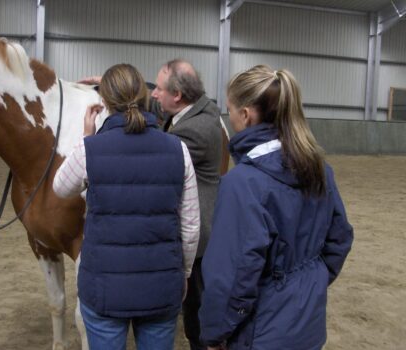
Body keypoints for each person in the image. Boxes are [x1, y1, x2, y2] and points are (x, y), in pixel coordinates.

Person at [199, 65, 354, 350]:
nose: (228, 116)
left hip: (260, 334)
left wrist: (214, 334)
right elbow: (339, 239)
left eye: (230, 109)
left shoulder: (242, 184)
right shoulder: (320, 170)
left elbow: (231, 275)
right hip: (308, 325)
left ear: (245, 115)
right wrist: (308, 283)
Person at [54, 63, 200, 350]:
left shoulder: (90, 149)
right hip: (161, 284)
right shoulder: (177, 149)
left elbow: (60, 186)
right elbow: (190, 225)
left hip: (104, 288)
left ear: (105, 102)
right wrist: (182, 273)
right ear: (146, 96)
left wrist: (86, 137)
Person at [80, 59, 224, 350]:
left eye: (158, 88)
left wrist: (98, 144)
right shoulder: (196, 107)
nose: (154, 94)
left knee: (197, 319)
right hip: (183, 236)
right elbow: (144, 103)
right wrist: (110, 85)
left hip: (197, 241)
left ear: (178, 95)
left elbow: (146, 155)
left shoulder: (195, 132)